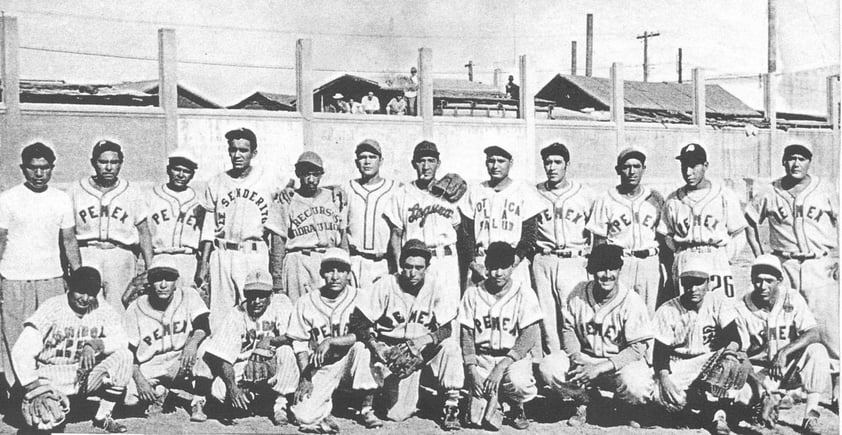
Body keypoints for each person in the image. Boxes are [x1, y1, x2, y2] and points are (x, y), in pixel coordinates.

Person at [350, 240, 463, 429]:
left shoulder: (436, 286)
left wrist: (425, 340)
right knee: (397, 414)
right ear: (401, 265)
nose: (413, 272)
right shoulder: (386, 283)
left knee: (450, 347)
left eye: (419, 268)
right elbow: (359, 320)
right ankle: (382, 395)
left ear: (427, 267)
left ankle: (451, 405)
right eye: (408, 267)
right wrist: (376, 345)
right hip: (392, 350)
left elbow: (446, 328)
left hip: (423, 349)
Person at [539, 244, 654, 427]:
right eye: (601, 268)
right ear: (591, 270)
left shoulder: (631, 300)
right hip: (585, 358)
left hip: (618, 363)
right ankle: (586, 400)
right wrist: (576, 358)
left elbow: (637, 348)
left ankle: (623, 406)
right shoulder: (577, 293)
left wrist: (600, 367)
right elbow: (568, 329)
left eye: (612, 268)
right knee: (549, 366)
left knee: (638, 385)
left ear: (619, 269)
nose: (607, 274)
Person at [744, 142, 838, 362]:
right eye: (792, 158)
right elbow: (749, 219)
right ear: (783, 161)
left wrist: (838, 258)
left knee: (827, 324)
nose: (796, 163)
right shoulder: (769, 190)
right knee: (785, 320)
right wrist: (760, 255)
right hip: (784, 265)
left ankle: (837, 381)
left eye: (802, 158)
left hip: (819, 263)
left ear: (809, 161)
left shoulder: (825, 188)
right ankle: (789, 375)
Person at [12, 267, 132, 433]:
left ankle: (103, 416)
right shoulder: (52, 307)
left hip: (82, 374)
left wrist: (96, 344)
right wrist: (34, 387)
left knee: (124, 356)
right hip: (50, 375)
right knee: (46, 423)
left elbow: (122, 340)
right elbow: (21, 350)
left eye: (91, 293)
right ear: (69, 287)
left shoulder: (101, 308)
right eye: (80, 291)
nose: (85, 298)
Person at [0, 143, 81, 387]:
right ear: (23, 169)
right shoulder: (8, 199)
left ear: (51, 169)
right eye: (33, 168)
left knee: (51, 337)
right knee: (15, 338)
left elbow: (69, 241)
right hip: (15, 278)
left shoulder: (61, 199)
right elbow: (0, 239)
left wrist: (80, 279)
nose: (39, 174)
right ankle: (18, 393)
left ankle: (51, 390)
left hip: (52, 279)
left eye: (44, 168)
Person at [195, 128, 285, 331]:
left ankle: (251, 358)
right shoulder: (217, 182)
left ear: (253, 153)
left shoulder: (268, 180)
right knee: (220, 315)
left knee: (254, 311)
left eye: (243, 150)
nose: (237, 155)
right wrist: (203, 263)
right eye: (233, 150)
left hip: (254, 252)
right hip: (223, 252)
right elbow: (208, 227)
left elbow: (277, 228)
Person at [732, 255, 832, 435]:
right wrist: (760, 387)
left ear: (779, 280)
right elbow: (741, 354)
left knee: (817, 351)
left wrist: (784, 352)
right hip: (759, 371)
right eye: (758, 280)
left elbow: (814, 332)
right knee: (742, 402)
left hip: (789, 366)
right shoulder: (741, 307)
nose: (762, 286)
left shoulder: (792, 298)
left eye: (769, 281)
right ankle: (775, 397)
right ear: (752, 280)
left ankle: (810, 415)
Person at [287, 249, 380, 433]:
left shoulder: (360, 296)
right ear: (322, 273)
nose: (335, 276)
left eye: (341, 270)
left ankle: (367, 407)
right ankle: (324, 409)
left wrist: (331, 341)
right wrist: (306, 378)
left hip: (350, 359)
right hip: (322, 367)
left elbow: (364, 334)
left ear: (348, 273)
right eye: (330, 270)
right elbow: (299, 344)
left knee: (363, 348)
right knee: (303, 416)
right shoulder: (306, 301)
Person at [651, 257, 744, 433]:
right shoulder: (667, 309)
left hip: (709, 362)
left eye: (698, 282)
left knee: (733, 360)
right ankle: (697, 406)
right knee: (663, 399)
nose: (693, 288)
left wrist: (730, 353)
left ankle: (718, 414)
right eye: (688, 283)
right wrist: (664, 379)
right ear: (681, 283)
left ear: (708, 283)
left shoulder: (718, 302)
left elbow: (734, 338)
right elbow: (660, 352)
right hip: (678, 364)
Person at [459, 242, 541, 431]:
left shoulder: (524, 292)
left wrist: (503, 365)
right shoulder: (473, 293)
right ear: (486, 268)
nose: (499, 273)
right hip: (482, 357)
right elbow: (466, 334)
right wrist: (471, 369)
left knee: (519, 383)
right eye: (494, 267)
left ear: (512, 267)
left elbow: (530, 334)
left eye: (504, 267)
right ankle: (496, 401)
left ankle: (515, 406)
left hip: (512, 358)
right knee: (474, 419)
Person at [203, 268, 299, 426]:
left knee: (286, 352)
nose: (257, 301)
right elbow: (224, 358)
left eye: (262, 295)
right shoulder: (236, 314)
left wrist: (269, 342)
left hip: (271, 360)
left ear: (271, 295)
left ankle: (280, 405)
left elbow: (291, 337)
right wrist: (232, 387)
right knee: (218, 390)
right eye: (252, 295)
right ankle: (260, 399)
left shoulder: (281, 303)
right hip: (245, 365)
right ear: (245, 294)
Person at [69, 140, 153, 313]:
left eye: (114, 162)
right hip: (87, 252)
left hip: (120, 254)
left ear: (120, 164)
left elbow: (144, 231)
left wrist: (150, 267)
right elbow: (67, 233)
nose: (108, 167)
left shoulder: (132, 190)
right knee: (88, 306)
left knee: (119, 307)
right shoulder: (76, 189)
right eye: (103, 162)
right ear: (93, 163)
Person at [123, 257, 211, 421]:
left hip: (181, 358)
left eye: (168, 279)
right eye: (157, 279)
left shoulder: (188, 295)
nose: (163, 285)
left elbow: (203, 326)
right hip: (151, 364)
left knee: (206, 347)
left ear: (176, 281)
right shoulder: (136, 307)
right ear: (149, 281)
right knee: (130, 400)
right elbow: (129, 353)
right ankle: (162, 391)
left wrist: (191, 345)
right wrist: (140, 380)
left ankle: (198, 401)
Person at [657, 143, 748, 301]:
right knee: (685, 309)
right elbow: (665, 235)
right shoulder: (673, 199)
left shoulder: (724, 195)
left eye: (693, 166)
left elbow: (739, 233)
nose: (688, 172)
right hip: (685, 256)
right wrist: (677, 257)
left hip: (715, 257)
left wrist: (724, 257)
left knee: (721, 307)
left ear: (705, 166)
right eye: (684, 166)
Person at [532, 142, 595, 354]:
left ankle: (577, 358)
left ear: (566, 164)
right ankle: (553, 363)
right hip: (545, 258)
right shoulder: (535, 192)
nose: (552, 167)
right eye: (548, 163)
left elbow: (598, 231)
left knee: (574, 311)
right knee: (547, 316)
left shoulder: (584, 193)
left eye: (557, 162)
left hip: (574, 259)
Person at [588, 147, 667, 315]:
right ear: (618, 170)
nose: (632, 171)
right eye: (626, 167)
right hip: (620, 262)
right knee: (618, 311)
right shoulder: (606, 198)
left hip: (649, 262)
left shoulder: (655, 197)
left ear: (643, 169)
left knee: (648, 315)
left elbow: (663, 236)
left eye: (637, 166)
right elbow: (599, 242)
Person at [385, 141, 461, 307]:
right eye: (421, 161)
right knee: (419, 310)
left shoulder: (450, 193)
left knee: (449, 310)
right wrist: (400, 269)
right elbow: (396, 235)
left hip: (447, 260)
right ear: (414, 164)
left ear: (438, 164)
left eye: (431, 161)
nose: (426, 166)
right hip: (417, 264)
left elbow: (460, 230)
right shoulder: (401, 194)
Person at [458, 145, 545, 288]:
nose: (495, 166)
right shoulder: (476, 190)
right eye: (491, 161)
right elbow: (466, 234)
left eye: (501, 161)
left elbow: (530, 234)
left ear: (511, 163)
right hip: (482, 261)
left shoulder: (523, 190)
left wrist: (514, 262)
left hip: (512, 262)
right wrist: (473, 264)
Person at [278, 151, 348, 303]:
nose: (310, 179)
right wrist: (277, 280)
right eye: (305, 174)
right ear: (298, 174)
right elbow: (278, 241)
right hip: (298, 261)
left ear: (321, 175)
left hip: (327, 260)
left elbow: (342, 236)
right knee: (296, 310)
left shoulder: (334, 197)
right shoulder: (287, 199)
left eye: (315, 174)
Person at [140, 149, 203, 300]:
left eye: (186, 171)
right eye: (177, 169)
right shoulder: (150, 196)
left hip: (187, 258)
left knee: (187, 301)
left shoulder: (199, 200)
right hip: (159, 255)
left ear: (193, 174)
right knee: (158, 302)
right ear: (168, 169)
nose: (181, 175)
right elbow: (143, 233)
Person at [345, 140, 398, 288]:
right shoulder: (347, 188)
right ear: (356, 162)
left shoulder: (395, 189)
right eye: (362, 157)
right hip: (355, 261)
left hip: (383, 263)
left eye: (372, 157)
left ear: (381, 161)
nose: (367, 162)